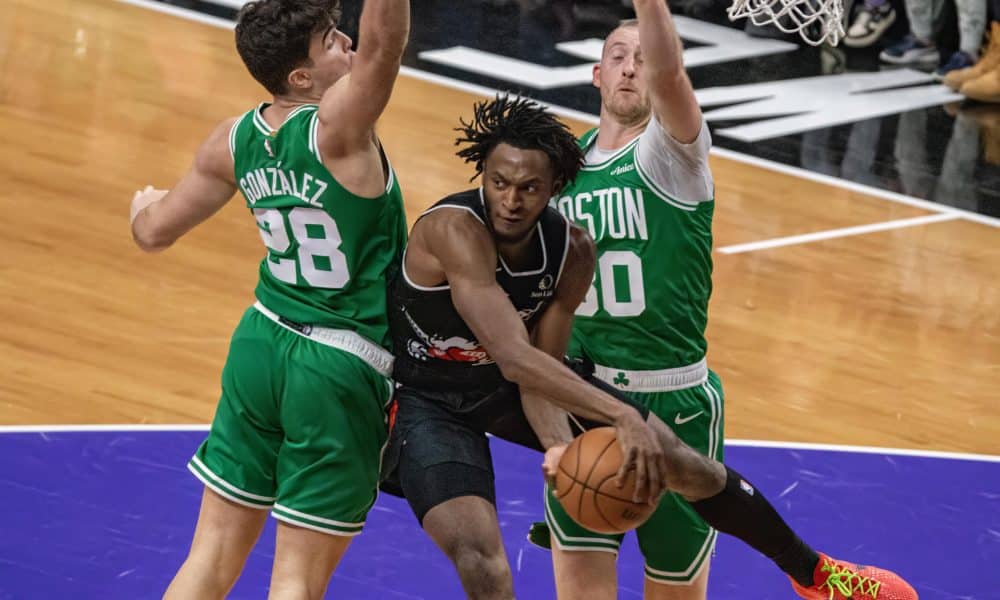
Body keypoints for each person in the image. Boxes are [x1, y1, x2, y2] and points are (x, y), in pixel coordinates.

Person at [379, 94, 917, 600]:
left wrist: (558, 445)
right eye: (499, 183)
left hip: (504, 385)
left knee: (687, 465)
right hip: (432, 399)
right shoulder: (454, 229)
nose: (511, 201)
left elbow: (541, 366)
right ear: (483, 176)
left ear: (555, 188)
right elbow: (515, 354)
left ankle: (815, 575)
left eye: (529, 188)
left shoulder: (572, 247)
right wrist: (620, 415)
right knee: (483, 560)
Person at [529, 3, 920, 600]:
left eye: (642, 56)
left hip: (674, 398)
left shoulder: (672, 155)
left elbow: (669, 79)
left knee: (676, 588)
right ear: (596, 76)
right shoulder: (564, 172)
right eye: (617, 57)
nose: (632, 68)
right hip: (589, 396)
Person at [128, 1, 409, 598]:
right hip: (338, 363)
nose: (349, 44)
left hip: (260, 343)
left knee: (207, 557)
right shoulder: (338, 128)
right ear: (301, 78)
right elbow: (386, 45)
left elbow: (152, 232)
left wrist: (138, 208)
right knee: (296, 578)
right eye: (333, 40)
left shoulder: (233, 141)